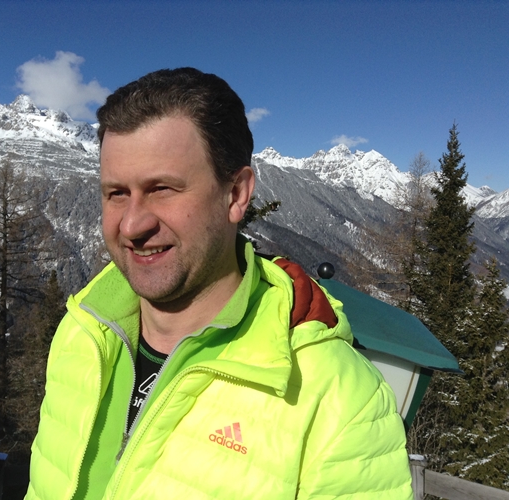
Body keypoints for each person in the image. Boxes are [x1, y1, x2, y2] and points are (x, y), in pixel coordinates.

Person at [25, 67, 414, 500]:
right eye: (116, 193)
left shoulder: (336, 399)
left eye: (162, 189)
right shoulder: (81, 333)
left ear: (236, 195)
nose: (132, 225)